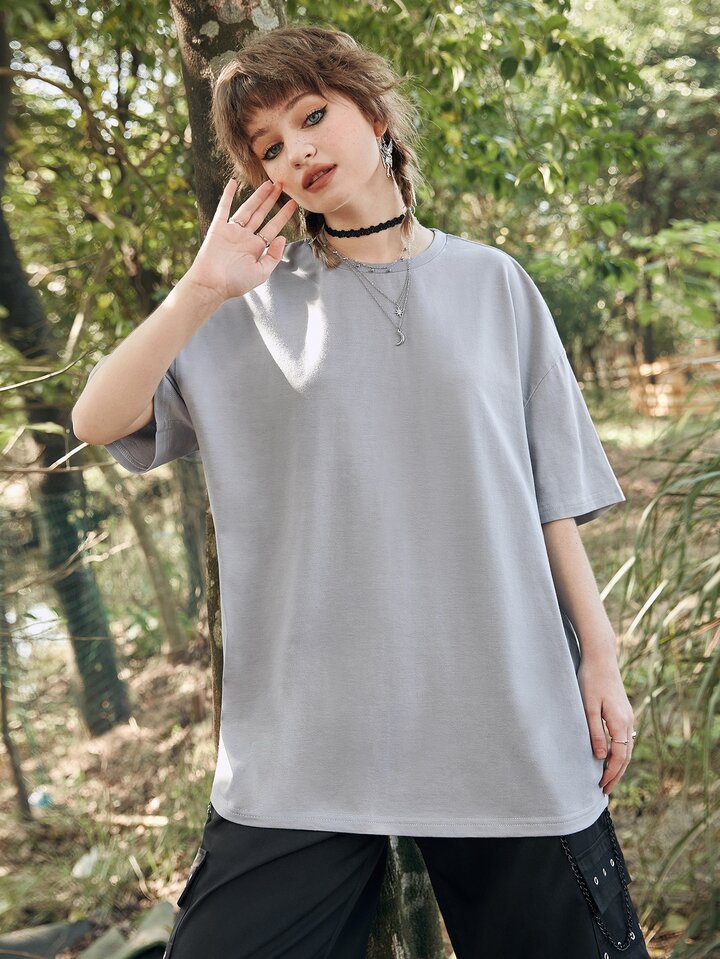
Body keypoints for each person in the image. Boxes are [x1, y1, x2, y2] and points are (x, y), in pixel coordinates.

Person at [72, 23, 651, 959]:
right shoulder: (243, 307)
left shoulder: (495, 284)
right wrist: (198, 290)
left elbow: (548, 494)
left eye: (311, 116)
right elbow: (96, 418)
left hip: (502, 709)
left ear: (375, 115)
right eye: (268, 146)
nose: (296, 151)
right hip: (306, 736)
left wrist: (601, 658)